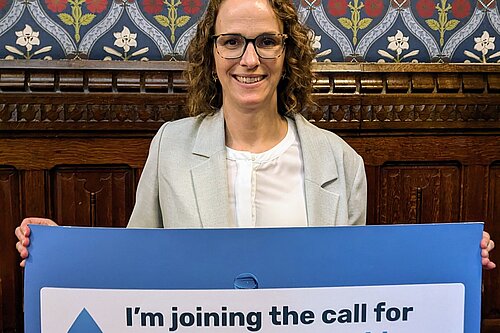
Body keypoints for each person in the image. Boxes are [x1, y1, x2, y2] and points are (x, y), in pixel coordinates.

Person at [15, 0, 495, 269]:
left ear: (286, 55)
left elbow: (357, 276)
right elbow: (135, 259)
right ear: (212, 53)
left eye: (266, 41)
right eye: (232, 42)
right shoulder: (171, 145)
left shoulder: (338, 159)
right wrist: (64, 252)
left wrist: (449, 259)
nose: (250, 59)